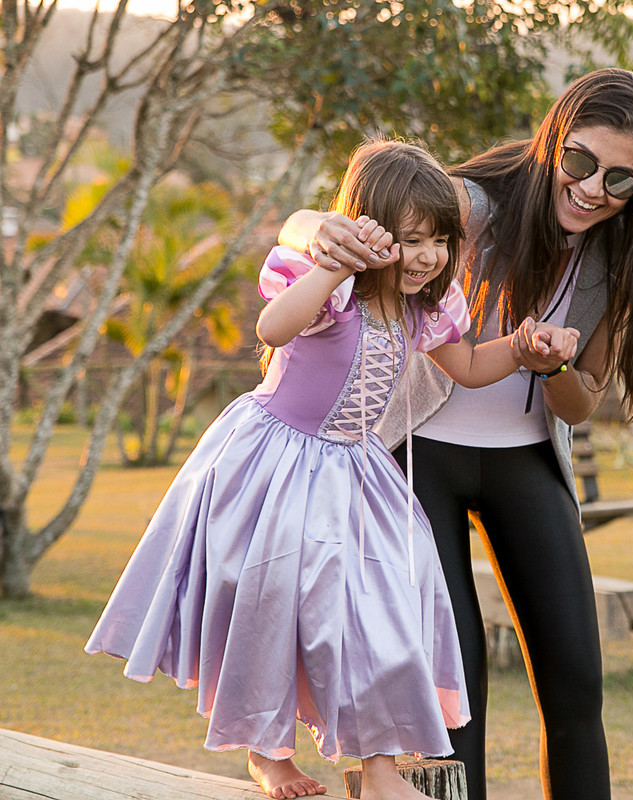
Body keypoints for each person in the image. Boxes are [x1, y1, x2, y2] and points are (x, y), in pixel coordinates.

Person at [85, 140, 578, 800]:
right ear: (367, 234)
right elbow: (272, 327)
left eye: (439, 240)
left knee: (384, 609)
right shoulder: (333, 295)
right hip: (275, 463)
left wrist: (520, 350)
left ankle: (379, 768)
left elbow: (467, 369)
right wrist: (328, 266)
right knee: (271, 607)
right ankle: (268, 753)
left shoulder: (422, 310)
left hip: (356, 474)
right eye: (409, 239)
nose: (427, 255)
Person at [279, 67, 633, 800]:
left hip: (526, 463)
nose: (595, 189)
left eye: (622, 182)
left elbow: (579, 404)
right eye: (581, 162)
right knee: (451, 683)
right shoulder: (470, 205)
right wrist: (322, 230)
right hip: (418, 457)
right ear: (552, 142)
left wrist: (552, 360)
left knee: (574, 685)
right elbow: (306, 223)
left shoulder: (618, 259)